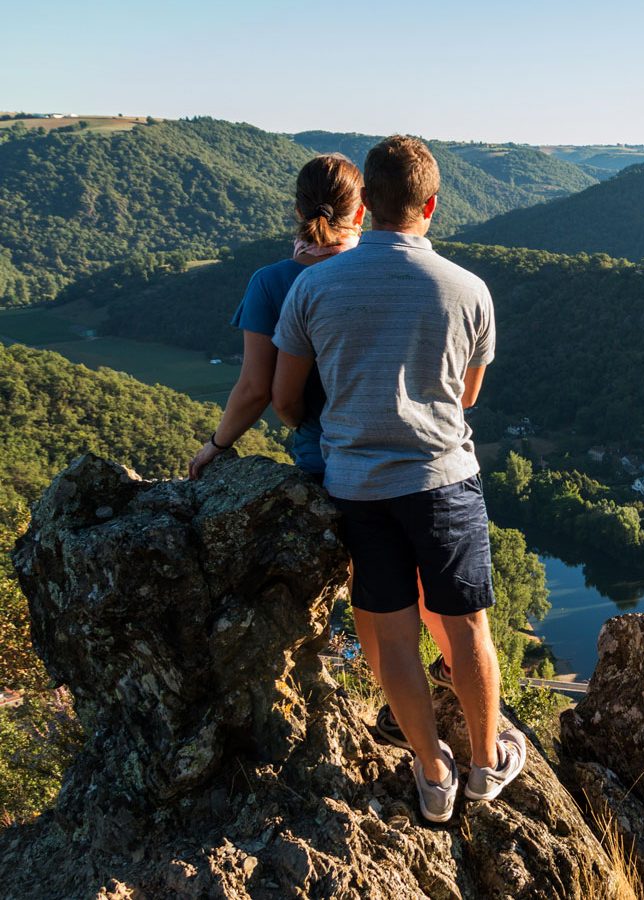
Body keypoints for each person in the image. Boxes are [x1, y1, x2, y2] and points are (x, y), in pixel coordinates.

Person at [271, 135, 525, 824]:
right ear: (431, 205)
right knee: (468, 628)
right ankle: (484, 762)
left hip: (357, 487)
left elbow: (287, 398)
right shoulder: (468, 290)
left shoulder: (313, 287)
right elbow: (467, 396)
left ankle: (433, 774)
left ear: (368, 204)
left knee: (391, 635)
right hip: (443, 481)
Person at [188, 153, 363, 482]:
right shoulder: (381, 275)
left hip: (325, 460)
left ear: (298, 210)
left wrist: (217, 444)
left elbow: (256, 389)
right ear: (361, 211)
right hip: (402, 466)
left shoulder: (270, 282)